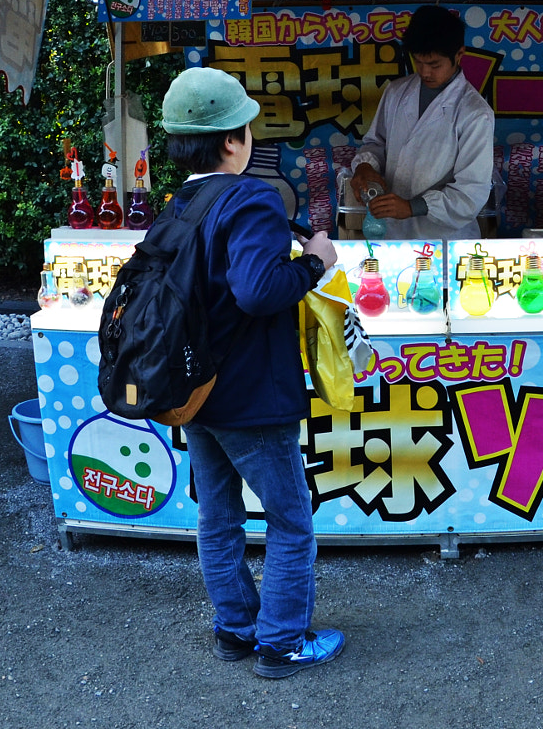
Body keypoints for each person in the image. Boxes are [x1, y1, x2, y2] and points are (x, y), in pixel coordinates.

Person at [158, 67, 348, 679]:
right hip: (250, 396)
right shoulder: (252, 196)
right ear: (234, 140)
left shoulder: (180, 204)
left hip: (193, 391)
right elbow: (260, 290)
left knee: (218, 517)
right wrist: (314, 263)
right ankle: (282, 644)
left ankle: (236, 629)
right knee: (290, 523)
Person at [351, 4, 495, 240]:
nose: (425, 72)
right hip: (392, 234)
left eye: (434, 65)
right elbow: (375, 142)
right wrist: (365, 167)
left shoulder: (475, 114)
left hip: (444, 237)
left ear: (459, 55)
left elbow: (471, 193)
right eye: (419, 62)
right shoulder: (396, 93)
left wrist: (412, 207)